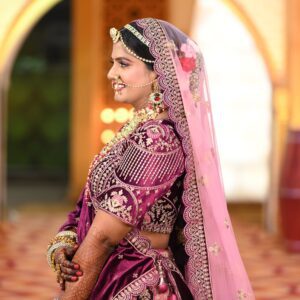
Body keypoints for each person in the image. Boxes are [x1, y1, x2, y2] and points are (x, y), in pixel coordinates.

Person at [47, 18, 254, 300]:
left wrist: (70, 297)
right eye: (113, 63)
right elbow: (88, 203)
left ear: (157, 72)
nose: (111, 74)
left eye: (123, 64)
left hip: (136, 282)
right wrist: (63, 243)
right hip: (109, 273)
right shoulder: (136, 130)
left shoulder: (158, 140)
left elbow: (106, 235)